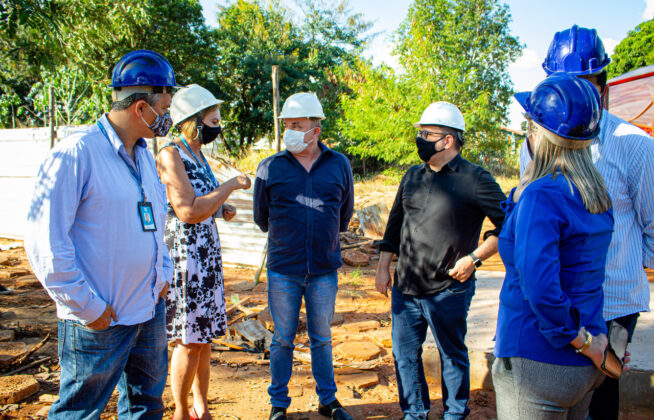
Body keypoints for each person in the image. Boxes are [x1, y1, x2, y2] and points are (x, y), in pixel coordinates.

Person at [24, 50, 177, 419]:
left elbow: (155, 221)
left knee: (145, 406)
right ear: (142, 108)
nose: (168, 117)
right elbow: (44, 242)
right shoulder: (76, 155)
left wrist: (163, 277)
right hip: (100, 322)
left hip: (147, 310)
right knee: (79, 412)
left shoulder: (142, 154)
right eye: (165, 106)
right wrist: (88, 308)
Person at [518, 26, 654, 419]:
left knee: (598, 403)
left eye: (582, 83)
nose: (571, 94)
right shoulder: (534, 144)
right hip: (557, 300)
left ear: (602, 86)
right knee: (559, 398)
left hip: (611, 303)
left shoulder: (633, 145)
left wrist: (616, 267)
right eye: (561, 84)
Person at [493, 73, 616, 419]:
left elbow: (541, 289)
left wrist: (585, 344)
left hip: (539, 360)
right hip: (582, 367)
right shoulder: (594, 193)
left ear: (538, 134)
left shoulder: (543, 196)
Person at [375, 102, 506, 420]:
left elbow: (508, 225)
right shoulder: (412, 176)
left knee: (452, 355)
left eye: (426, 133)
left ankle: (454, 413)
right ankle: (415, 412)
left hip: (449, 288)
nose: (420, 138)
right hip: (406, 288)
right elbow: (394, 226)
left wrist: (473, 259)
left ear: (447, 140)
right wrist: (382, 268)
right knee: (405, 355)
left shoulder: (475, 179)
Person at [253, 92, 354, 420]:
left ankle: (328, 400)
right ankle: (278, 404)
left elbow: (344, 214)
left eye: (297, 125)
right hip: (284, 268)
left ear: (316, 129)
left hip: (324, 269)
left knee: (321, 338)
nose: (291, 130)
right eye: (287, 125)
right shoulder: (269, 168)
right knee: (282, 338)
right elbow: (261, 217)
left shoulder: (339, 164)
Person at [157, 84, 251, 420]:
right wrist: (229, 187)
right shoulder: (170, 154)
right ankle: (181, 411)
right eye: (212, 119)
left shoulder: (198, 155)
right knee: (188, 339)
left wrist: (222, 206)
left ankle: (201, 406)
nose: (217, 125)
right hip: (186, 259)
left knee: (204, 338)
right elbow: (187, 211)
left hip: (205, 256)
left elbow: (205, 204)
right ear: (193, 121)